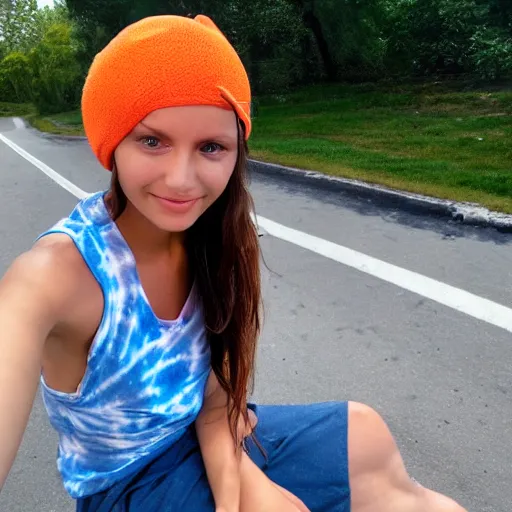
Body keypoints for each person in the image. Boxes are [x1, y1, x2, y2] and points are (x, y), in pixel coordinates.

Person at [0, 14, 467, 512]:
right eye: (152, 140)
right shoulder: (53, 274)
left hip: (207, 436)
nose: (181, 179)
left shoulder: (216, 241)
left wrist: (237, 491)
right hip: (129, 487)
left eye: (211, 147)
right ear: (111, 143)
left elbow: (217, 400)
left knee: (365, 433)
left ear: (236, 151)